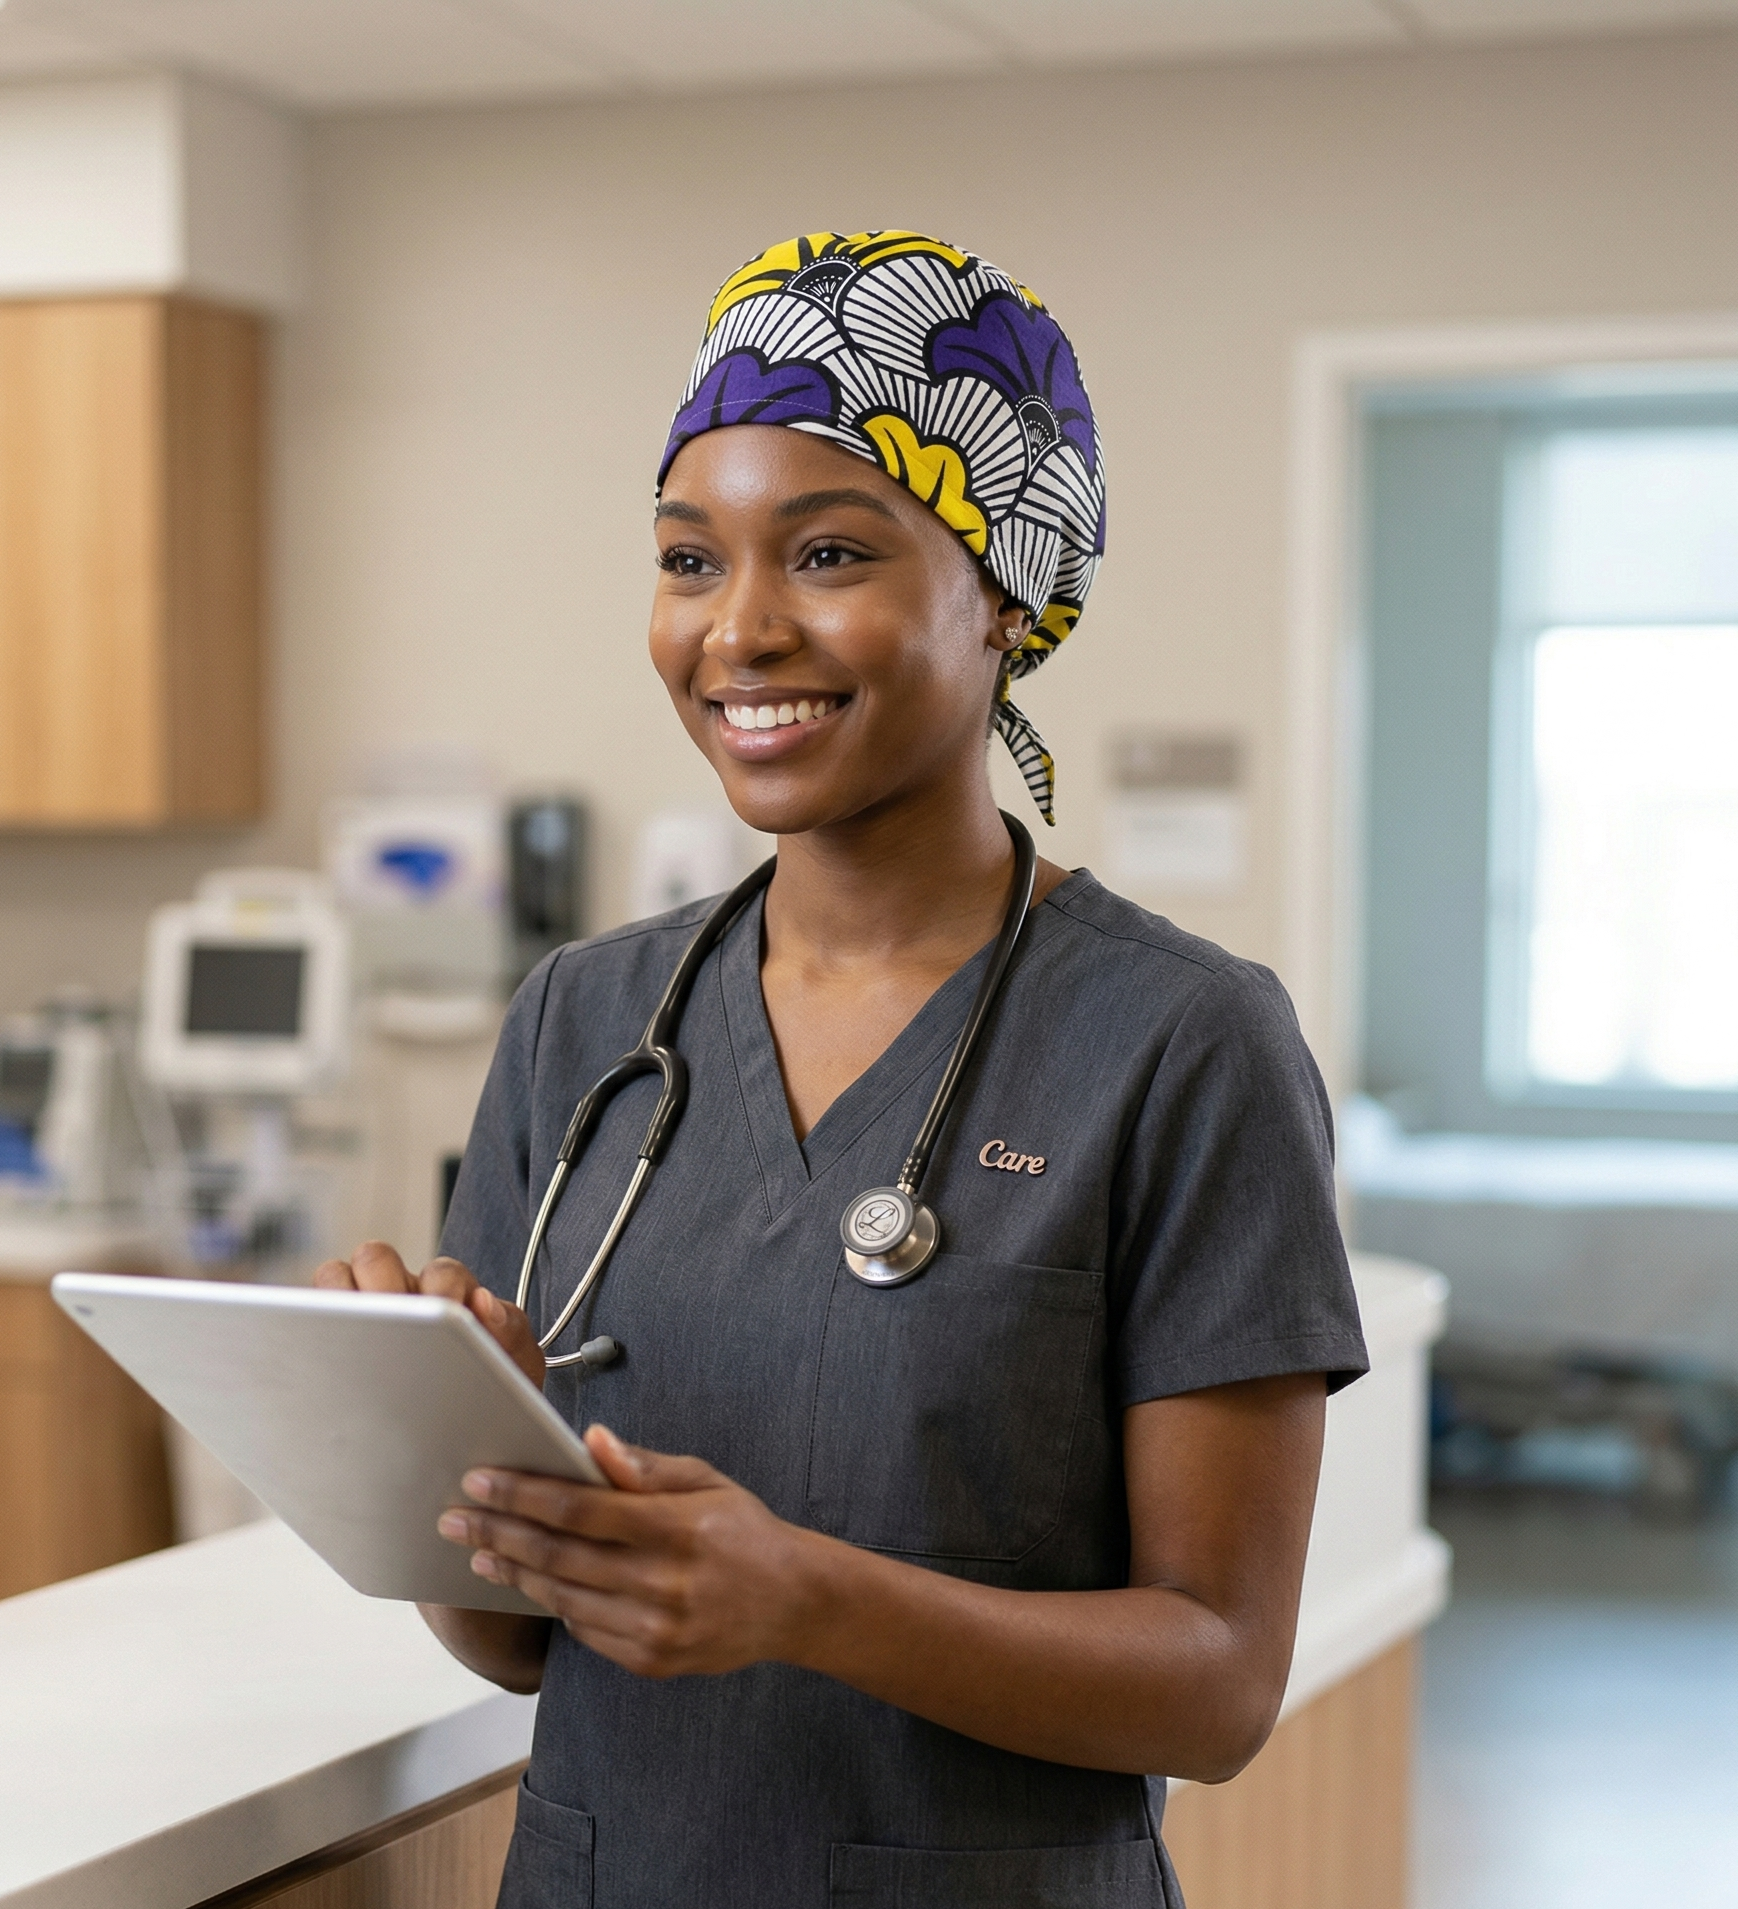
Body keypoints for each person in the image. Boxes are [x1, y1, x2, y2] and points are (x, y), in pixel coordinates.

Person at [317, 230, 1367, 1909]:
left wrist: (808, 1599)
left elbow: (1221, 1682)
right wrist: (419, 1440)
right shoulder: (588, 1025)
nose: (738, 630)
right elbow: (518, 1647)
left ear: (1007, 595)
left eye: (826, 553)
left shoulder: (1182, 1045)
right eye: (685, 558)